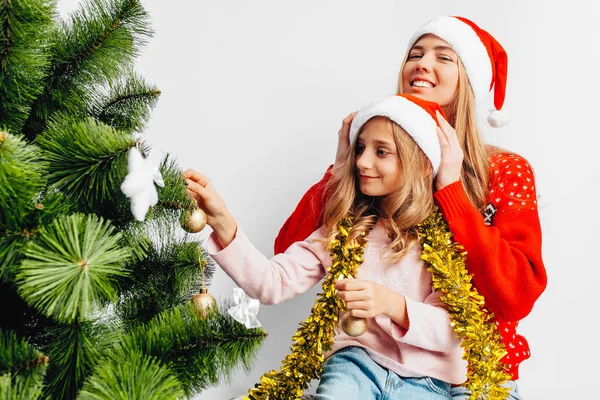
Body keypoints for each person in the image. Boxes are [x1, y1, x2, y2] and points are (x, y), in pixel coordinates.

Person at [273, 16, 547, 400]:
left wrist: (451, 191)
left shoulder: (503, 171)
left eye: (444, 57)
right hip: (378, 363)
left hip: (476, 372)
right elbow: (287, 253)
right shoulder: (375, 163)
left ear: (468, 81)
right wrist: (340, 172)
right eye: (415, 54)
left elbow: (516, 296)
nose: (422, 64)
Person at [184, 94, 468, 399]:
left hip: (427, 381)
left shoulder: (446, 240)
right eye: (360, 148)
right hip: (355, 364)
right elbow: (272, 282)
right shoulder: (346, 230)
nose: (362, 162)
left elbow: (456, 331)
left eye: (381, 151)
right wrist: (223, 221)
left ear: (423, 164)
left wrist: (392, 305)